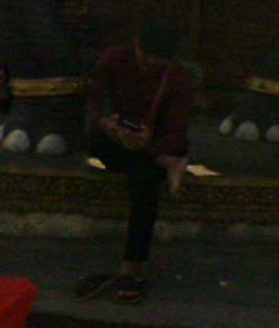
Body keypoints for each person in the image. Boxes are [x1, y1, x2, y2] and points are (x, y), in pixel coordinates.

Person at [75, 14, 195, 303]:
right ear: (137, 44)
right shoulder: (116, 59)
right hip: (119, 142)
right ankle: (168, 164)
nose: (149, 63)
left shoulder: (178, 78)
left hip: (153, 146)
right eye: (145, 56)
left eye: (157, 61)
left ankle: (132, 266)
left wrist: (147, 143)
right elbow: (94, 97)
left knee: (144, 181)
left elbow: (177, 133)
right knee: (109, 147)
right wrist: (108, 123)